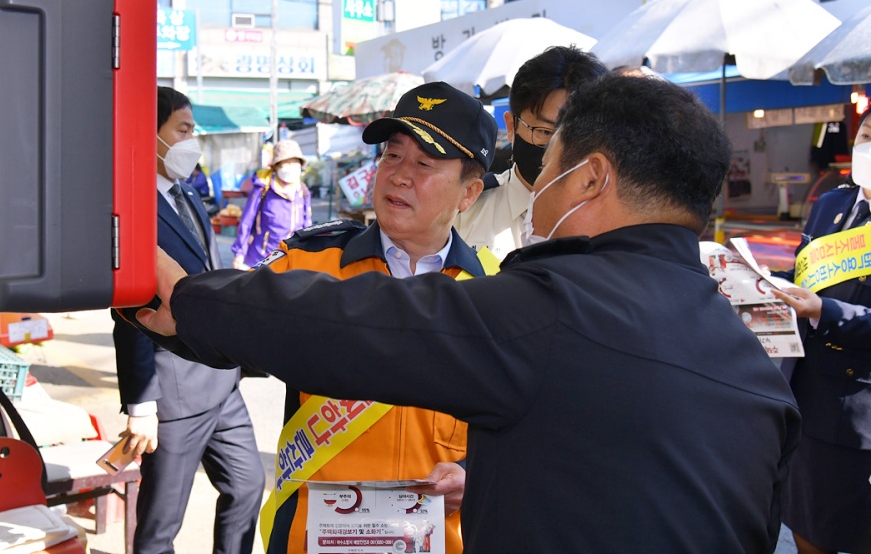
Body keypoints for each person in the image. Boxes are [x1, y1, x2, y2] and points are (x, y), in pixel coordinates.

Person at [136, 74, 801, 553]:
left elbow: (353, 327)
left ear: (592, 178)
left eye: (552, 164)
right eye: (391, 155)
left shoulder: (532, 307)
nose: (537, 187)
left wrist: (188, 299)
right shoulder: (757, 373)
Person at [248, 81, 496, 554]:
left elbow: (531, 434)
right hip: (316, 539)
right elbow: (216, 329)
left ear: (469, 193)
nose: (400, 175)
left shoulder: (494, 290)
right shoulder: (307, 265)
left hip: (443, 540)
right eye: (392, 156)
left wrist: (476, 475)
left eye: (424, 164)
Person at [111, 86, 264, 554]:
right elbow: (131, 312)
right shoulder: (131, 207)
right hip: (174, 395)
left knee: (248, 487)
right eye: (182, 130)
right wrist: (141, 407)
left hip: (222, 382)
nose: (190, 142)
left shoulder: (188, 194)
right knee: (161, 525)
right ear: (148, 134)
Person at [772, 109, 871, 554]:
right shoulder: (832, 204)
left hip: (860, 411)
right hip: (809, 400)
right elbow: (801, 272)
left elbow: (824, 303)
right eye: (867, 135)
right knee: (807, 527)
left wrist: (824, 310)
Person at [453, 45, 608, 259]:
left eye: (575, 135)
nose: (557, 149)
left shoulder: (613, 221)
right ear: (511, 127)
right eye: (545, 131)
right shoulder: (462, 212)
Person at [231, 139, 311, 270]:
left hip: (292, 259)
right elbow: (247, 221)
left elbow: (307, 223)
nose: (292, 167)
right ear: (277, 166)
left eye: (295, 163)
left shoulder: (303, 190)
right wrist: (239, 253)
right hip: (262, 258)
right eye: (287, 163)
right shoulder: (263, 188)